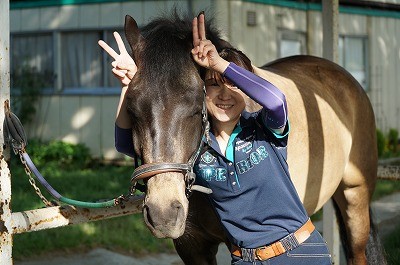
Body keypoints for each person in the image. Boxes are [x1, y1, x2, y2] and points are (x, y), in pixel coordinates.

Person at [99, 13, 332, 265]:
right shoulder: (199, 149)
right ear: (202, 92)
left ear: (247, 91)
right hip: (246, 260)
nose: (224, 95)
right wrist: (130, 85)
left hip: (301, 252)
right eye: (213, 85)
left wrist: (219, 65)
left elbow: (276, 101)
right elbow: (126, 144)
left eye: (234, 85)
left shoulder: (264, 130)